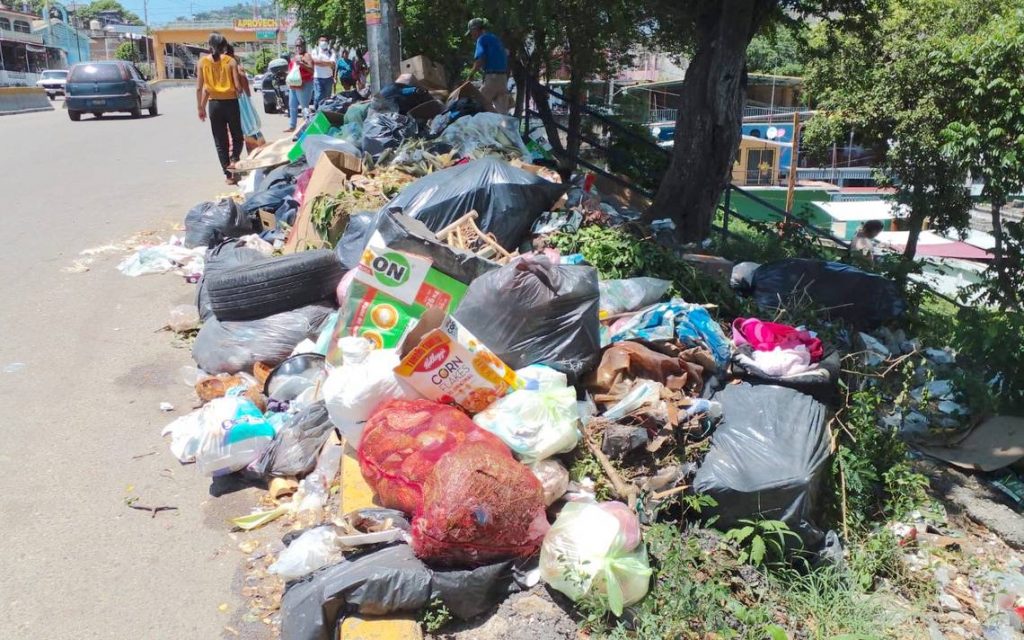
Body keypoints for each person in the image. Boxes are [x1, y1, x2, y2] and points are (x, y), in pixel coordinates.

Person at [196, 33, 246, 185]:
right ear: (224, 46)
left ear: (209, 45)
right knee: (237, 136)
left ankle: (228, 175)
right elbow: (238, 87)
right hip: (231, 103)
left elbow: (200, 88)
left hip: (214, 105)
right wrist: (239, 90)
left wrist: (201, 107)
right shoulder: (231, 61)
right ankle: (234, 159)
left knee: (220, 140)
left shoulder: (202, 62)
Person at [466, 18, 511, 113]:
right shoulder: (495, 39)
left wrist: (470, 76)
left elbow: (480, 60)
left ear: (475, 29)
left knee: (477, 106)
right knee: (502, 113)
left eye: (471, 32)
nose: (471, 36)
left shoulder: (482, 39)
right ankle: (503, 127)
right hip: (503, 79)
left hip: (492, 78)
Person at [285, 37, 314, 133]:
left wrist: (302, 64)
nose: (298, 47)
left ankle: (308, 125)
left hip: (304, 84)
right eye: (297, 45)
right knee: (292, 105)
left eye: (300, 45)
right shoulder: (294, 57)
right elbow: (291, 70)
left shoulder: (307, 56)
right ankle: (292, 126)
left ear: (304, 45)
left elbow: (312, 70)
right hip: (294, 84)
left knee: (304, 106)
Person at [311, 36, 336, 107]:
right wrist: (328, 63)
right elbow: (315, 61)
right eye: (322, 40)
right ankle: (316, 112)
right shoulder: (315, 51)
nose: (323, 42)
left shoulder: (331, 52)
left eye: (325, 40)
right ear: (318, 42)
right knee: (318, 97)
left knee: (327, 98)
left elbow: (333, 64)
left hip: (328, 78)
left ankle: (325, 112)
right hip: (318, 78)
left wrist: (321, 62)